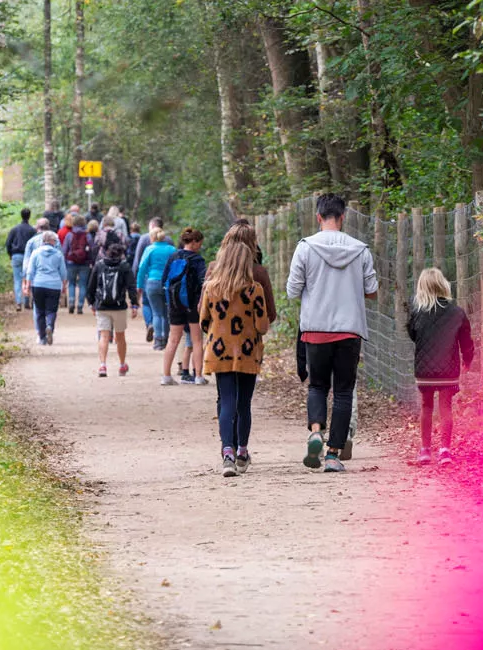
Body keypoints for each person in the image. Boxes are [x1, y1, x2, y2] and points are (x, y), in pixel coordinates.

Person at [285, 192, 378, 472]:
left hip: (315, 329)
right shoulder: (360, 250)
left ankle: (316, 432)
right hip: (349, 330)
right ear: (342, 217)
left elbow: (292, 290)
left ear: (318, 217)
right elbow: (372, 290)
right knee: (343, 392)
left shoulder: (305, 248)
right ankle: (333, 454)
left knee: (317, 386)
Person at [200, 238, 272, 476]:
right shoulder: (254, 290)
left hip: (220, 352)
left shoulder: (211, 288)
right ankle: (242, 451)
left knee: (227, 401)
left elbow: (203, 321)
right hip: (247, 352)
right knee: (244, 404)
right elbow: (263, 326)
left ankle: (227, 453)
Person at [406, 267, 474, 466]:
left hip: (424, 370)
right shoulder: (457, 313)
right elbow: (466, 341)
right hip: (448, 368)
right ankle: (444, 451)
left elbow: (413, 336)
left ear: (422, 288)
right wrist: (467, 359)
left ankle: (425, 450)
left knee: (426, 406)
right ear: (443, 285)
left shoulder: (417, 313)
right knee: (446, 407)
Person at [159, 228, 208, 385]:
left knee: (173, 340)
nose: (200, 246)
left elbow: (164, 280)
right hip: (193, 304)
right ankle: (198, 376)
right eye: (199, 243)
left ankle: (166, 376)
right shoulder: (198, 260)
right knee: (197, 340)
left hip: (175, 304)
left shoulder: (173, 256)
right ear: (193, 242)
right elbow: (203, 283)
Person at [87, 240, 140, 377]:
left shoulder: (99, 265)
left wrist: (91, 303)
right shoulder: (124, 266)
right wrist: (134, 304)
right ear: (121, 254)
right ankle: (122, 365)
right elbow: (131, 287)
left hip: (102, 306)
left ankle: (102, 366)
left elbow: (91, 285)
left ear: (107, 252)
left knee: (104, 336)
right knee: (120, 336)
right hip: (119, 306)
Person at [23, 231, 67, 345]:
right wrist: (64, 286)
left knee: (39, 311)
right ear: (51, 241)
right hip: (54, 285)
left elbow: (30, 271)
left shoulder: (35, 253)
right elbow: (63, 272)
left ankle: (42, 337)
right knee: (51, 310)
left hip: (38, 284)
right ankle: (50, 326)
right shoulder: (58, 254)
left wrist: (27, 285)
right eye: (55, 241)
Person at [136, 227, 175, 351]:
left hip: (152, 282)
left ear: (152, 237)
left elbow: (142, 268)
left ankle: (158, 341)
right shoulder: (172, 250)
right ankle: (166, 339)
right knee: (166, 313)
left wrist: (139, 285)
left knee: (157, 313)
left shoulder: (150, 249)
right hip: (168, 283)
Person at [4, 208, 37, 311]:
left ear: (21, 215)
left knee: (17, 280)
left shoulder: (14, 229)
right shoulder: (32, 230)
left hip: (16, 256)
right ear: (29, 216)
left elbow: (8, 243)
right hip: (29, 257)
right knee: (28, 278)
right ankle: (27, 301)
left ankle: (18, 302)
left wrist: (10, 254)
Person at [64, 219, 94, 314]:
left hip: (71, 262)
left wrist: (64, 262)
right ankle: (80, 306)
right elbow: (92, 249)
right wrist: (91, 262)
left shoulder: (69, 235)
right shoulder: (88, 235)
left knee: (71, 283)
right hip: (85, 263)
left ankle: (71, 303)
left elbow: (64, 250)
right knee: (83, 285)